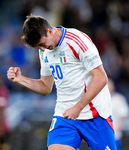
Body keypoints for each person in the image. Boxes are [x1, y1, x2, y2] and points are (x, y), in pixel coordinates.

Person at [7, 14, 116, 150]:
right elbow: (46, 87)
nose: (42, 50)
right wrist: (21, 79)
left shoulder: (77, 40)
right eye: (38, 47)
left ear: (50, 31)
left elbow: (101, 78)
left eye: (42, 44)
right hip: (64, 114)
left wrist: (78, 108)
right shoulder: (45, 50)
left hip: (94, 113)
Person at [108, 79, 129, 150]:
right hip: (101, 134)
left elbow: (124, 115)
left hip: (115, 134)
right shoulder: (99, 99)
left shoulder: (119, 99)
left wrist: (119, 127)